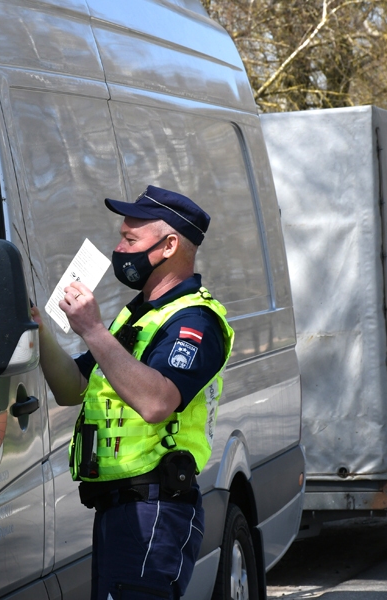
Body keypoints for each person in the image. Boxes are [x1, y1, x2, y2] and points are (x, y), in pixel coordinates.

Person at [31, 186, 235, 600]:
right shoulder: (136, 313)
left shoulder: (195, 319)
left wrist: (92, 329)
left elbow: (158, 402)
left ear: (169, 245)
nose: (118, 250)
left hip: (155, 509)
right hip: (119, 507)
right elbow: (72, 388)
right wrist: (37, 327)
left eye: (129, 240)